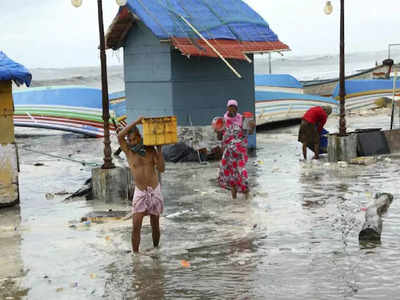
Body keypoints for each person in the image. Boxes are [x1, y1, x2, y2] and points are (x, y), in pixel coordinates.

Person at [118, 117, 165, 253]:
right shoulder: (128, 151)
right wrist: (136, 121)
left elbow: (161, 169)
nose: (132, 143)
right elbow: (120, 136)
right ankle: (135, 255)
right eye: (129, 140)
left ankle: (156, 250)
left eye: (134, 139)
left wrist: (160, 150)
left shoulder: (150, 150)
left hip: (154, 190)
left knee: (155, 225)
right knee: (136, 226)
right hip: (140, 192)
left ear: (139, 137)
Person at [217, 99, 255, 199]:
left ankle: (247, 196)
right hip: (228, 152)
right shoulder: (222, 120)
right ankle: (234, 201)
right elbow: (220, 137)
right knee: (231, 176)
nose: (232, 109)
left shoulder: (242, 119)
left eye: (234, 107)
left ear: (237, 108)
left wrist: (252, 127)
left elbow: (249, 132)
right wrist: (218, 131)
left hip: (240, 151)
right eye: (230, 107)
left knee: (242, 172)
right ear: (227, 108)